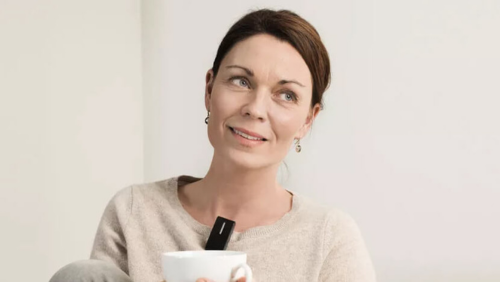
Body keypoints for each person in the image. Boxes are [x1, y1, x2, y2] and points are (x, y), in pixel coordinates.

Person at [49, 8, 376, 282]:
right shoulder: (135, 211)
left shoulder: (329, 237)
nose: (255, 108)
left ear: (308, 119)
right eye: (241, 81)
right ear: (209, 89)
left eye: (286, 94)